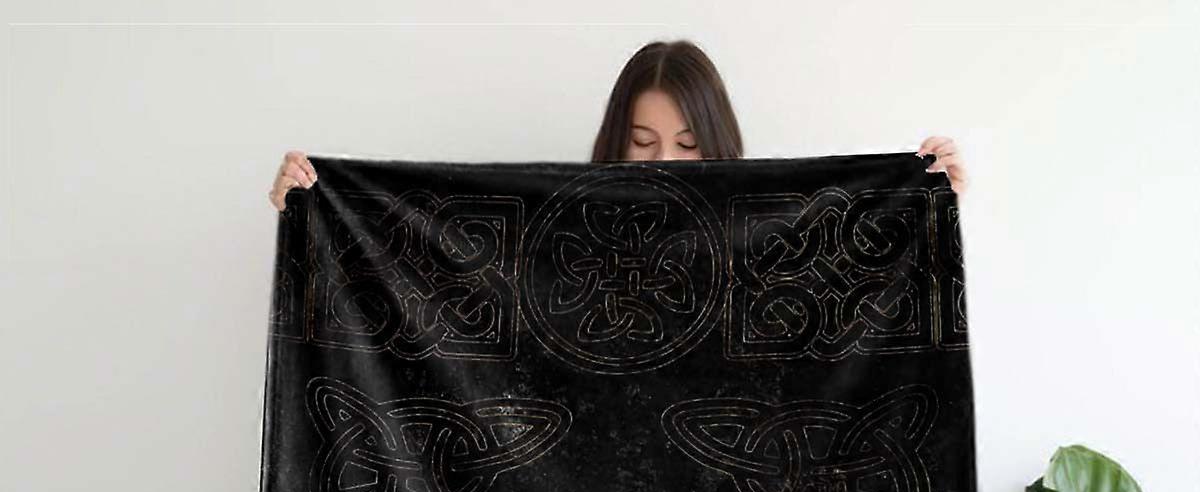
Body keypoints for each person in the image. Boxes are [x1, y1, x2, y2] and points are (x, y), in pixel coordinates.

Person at [267, 39, 967, 210]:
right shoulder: (552, 229)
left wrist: (922, 201)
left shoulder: (770, 233)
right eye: (643, 143)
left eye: (689, 146)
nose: (666, 161)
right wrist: (319, 203)